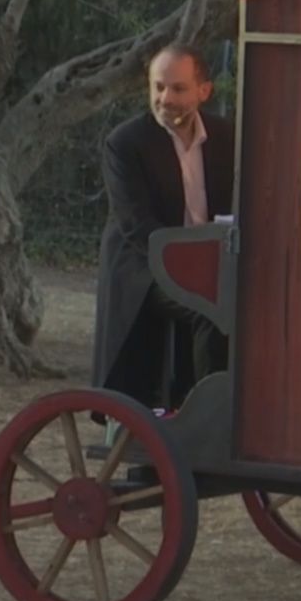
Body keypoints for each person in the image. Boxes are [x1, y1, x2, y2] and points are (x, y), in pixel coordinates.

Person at [92, 43, 236, 421]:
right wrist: (191, 265)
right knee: (211, 311)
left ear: (204, 91)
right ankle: (208, 421)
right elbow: (137, 226)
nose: (165, 98)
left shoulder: (228, 138)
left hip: (211, 266)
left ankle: (237, 408)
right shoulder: (125, 143)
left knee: (248, 305)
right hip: (145, 266)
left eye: (178, 88)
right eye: (158, 87)